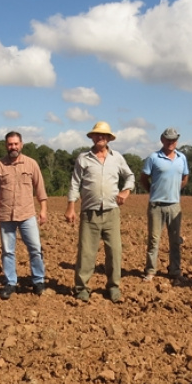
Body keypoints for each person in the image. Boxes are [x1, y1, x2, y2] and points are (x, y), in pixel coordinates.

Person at [65, 121, 135, 303]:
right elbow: (74, 183)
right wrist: (71, 206)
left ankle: (113, 287)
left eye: (103, 135)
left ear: (109, 138)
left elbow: (130, 176)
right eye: (97, 134)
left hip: (112, 212)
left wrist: (126, 191)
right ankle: (82, 288)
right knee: (86, 252)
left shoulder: (117, 158)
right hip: (90, 213)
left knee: (114, 251)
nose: (100, 137)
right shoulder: (83, 158)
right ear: (92, 137)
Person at [0, 131, 49, 300]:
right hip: (5, 215)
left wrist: (43, 209)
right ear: (6, 145)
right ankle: (10, 283)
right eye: (9, 144)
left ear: (21, 144)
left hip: (27, 214)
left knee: (35, 249)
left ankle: (38, 280)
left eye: (15, 144)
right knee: (7, 251)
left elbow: (40, 188)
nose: (13, 147)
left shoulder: (31, 164)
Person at [140, 127, 189, 281]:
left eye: (173, 139)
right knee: (154, 240)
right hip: (156, 205)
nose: (170, 142)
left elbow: (185, 177)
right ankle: (150, 270)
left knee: (175, 240)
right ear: (162, 139)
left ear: (177, 141)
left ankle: (175, 270)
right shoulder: (153, 158)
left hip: (174, 205)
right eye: (168, 139)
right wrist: (153, 192)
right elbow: (143, 178)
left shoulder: (182, 158)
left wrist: (175, 190)